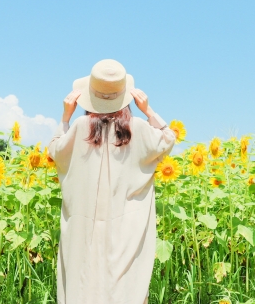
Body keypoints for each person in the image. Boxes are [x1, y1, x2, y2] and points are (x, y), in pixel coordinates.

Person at [49, 59, 176, 304]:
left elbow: (55, 150)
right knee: (124, 283)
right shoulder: (137, 127)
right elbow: (168, 138)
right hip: (128, 223)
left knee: (84, 277)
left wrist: (65, 117)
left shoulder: (79, 127)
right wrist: (148, 111)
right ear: (126, 97)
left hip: (83, 222)